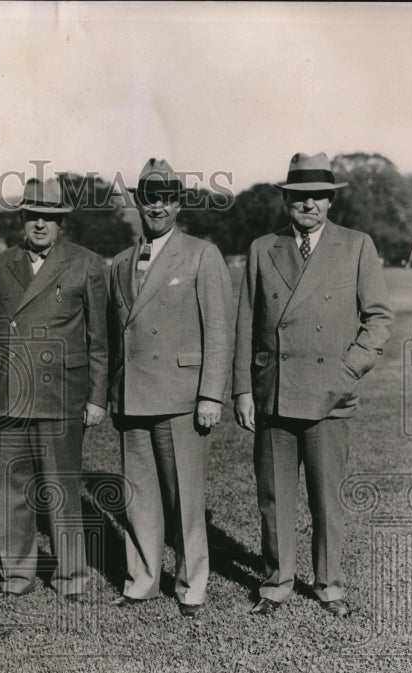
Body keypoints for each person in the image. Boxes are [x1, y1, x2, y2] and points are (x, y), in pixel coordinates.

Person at [233, 152, 393, 618]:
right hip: (274, 392)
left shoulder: (357, 245)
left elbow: (379, 319)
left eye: (319, 196)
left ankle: (329, 585)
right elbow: (247, 321)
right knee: (274, 498)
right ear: (286, 199)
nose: (310, 205)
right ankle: (277, 584)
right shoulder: (263, 247)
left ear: (330, 201)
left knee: (327, 499)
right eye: (300, 196)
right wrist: (243, 389)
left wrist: (346, 372)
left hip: (330, 396)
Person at [107, 158, 234, 619]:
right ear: (138, 202)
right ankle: (141, 580)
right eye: (148, 198)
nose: (156, 207)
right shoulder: (120, 262)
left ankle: (190, 584)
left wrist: (211, 395)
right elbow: (114, 335)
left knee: (185, 497)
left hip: (182, 397)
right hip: (133, 397)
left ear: (178, 203)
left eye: (165, 198)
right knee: (138, 496)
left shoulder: (201, 254)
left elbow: (219, 330)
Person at [0, 177, 108, 602]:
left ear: (60, 222)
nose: (41, 224)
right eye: (33, 216)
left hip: (62, 395)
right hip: (9, 394)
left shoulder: (86, 264)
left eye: (49, 217)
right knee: (13, 490)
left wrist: (98, 396)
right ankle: (16, 575)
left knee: (62, 490)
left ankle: (72, 577)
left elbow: (101, 341)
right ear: (23, 219)